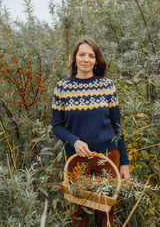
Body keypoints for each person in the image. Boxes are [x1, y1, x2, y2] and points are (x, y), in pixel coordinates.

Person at [52, 37, 130, 227]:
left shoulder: (107, 86)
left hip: (108, 157)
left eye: (91, 55)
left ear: (96, 61)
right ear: (74, 58)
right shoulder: (63, 88)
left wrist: (124, 163)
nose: (86, 59)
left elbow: (117, 126)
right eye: (82, 54)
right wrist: (74, 141)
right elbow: (57, 126)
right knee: (78, 212)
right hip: (76, 159)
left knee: (105, 211)